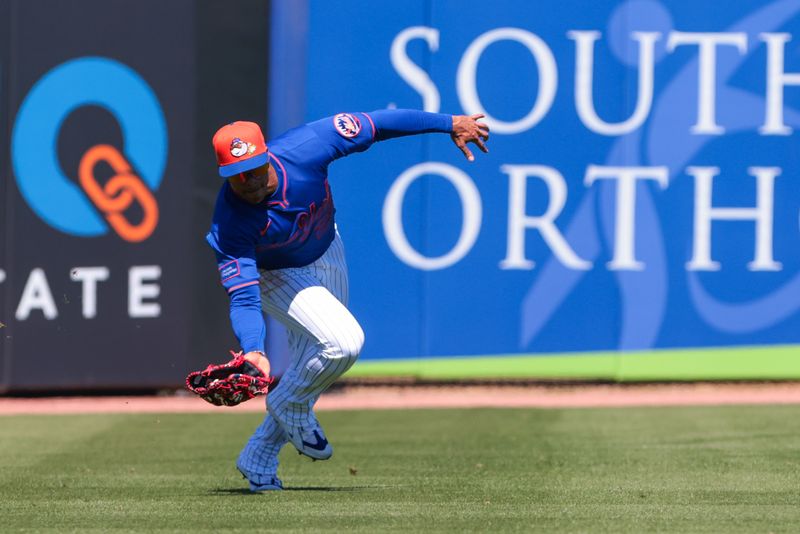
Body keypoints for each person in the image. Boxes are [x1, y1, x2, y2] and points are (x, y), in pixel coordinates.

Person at [207, 109, 490, 491]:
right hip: (274, 275)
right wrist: (253, 349)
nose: (248, 182)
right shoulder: (229, 224)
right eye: (237, 177)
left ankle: (259, 455)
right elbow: (243, 298)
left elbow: (378, 124)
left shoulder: (307, 147)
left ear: (265, 156)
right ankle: (286, 404)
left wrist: (449, 123)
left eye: (253, 169)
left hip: (326, 251)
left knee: (316, 363)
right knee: (343, 343)